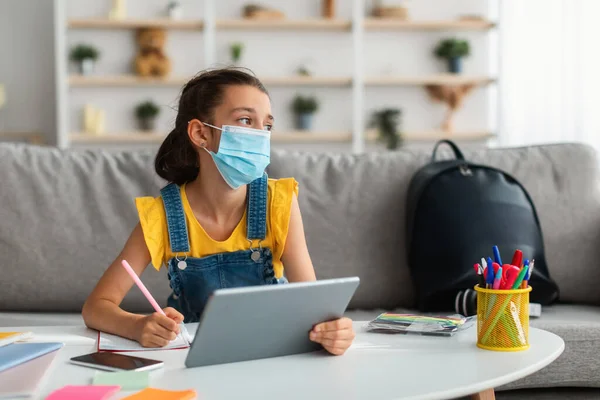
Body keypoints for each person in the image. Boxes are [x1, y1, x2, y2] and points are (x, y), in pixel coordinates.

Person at [82, 68, 355, 355]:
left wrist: (332, 332)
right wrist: (137, 326)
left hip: (269, 354)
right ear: (201, 133)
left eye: (267, 126)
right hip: (194, 359)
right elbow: (96, 307)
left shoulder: (280, 202)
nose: (261, 135)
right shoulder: (163, 215)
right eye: (246, 120)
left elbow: (310, 306)